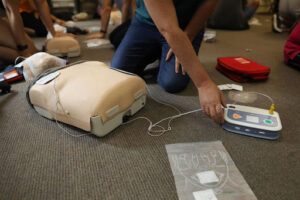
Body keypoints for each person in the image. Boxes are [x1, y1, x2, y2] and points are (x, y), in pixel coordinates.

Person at [111, 0, 226, 124]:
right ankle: (158, 52)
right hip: (146, 23)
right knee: (118, 72)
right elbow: (168, 28)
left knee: (172, 83)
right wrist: (204, 84)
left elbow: (210, 2)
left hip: (185, 24)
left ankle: (163, 55)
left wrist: (187, 37)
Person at [2, 0, 74, 59]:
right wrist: (23, 50)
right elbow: (11, 11)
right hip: (5, 15)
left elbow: (41, 3)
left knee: (33, 51)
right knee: (23, 57)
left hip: (5, 17)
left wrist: (53, 33)